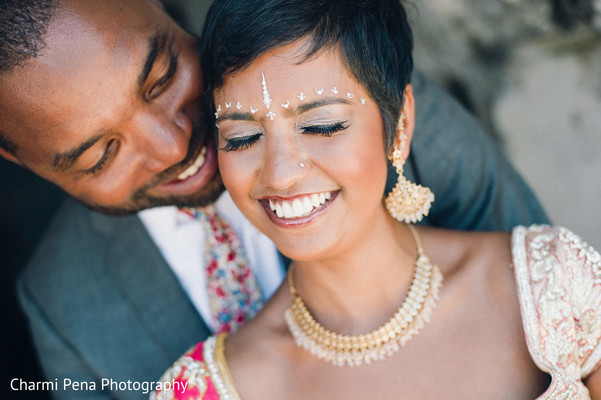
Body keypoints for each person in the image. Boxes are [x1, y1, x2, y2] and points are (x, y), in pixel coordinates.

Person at [0, 0, 548, 399]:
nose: (172, 146)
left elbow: (532, 295)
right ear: (21, 160)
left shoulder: (365, 110)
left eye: (162, 78)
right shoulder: (61, 304)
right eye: (100, 155)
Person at [152, 0, 601, 399]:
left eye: (322, 126)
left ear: (400, 125)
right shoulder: (203, 389)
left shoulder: (554, 286)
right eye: (244, 137)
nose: (281, 173)